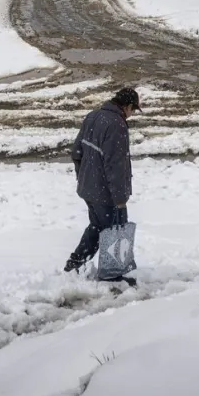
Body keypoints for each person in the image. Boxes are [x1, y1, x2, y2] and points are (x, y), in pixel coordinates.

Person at [64, 88, 140, 277]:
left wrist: (83, 177)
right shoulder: (117, 125)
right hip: (105, 192)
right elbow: (116, 165)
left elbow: (76, 152)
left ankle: (74, 265)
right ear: (127, 106)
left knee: (97, 227)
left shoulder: (93, 116)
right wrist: (120, 199)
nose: (131, 114)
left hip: (88, 188)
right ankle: (113, 276)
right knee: (114, 231)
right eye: (133, 110)